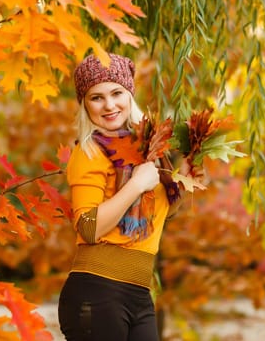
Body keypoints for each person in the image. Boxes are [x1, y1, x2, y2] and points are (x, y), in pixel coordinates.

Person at [58, 53, 195, 341]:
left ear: (130, 94)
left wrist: (191, 166)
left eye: (117, 93)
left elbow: (165, 211)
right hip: (96, 292)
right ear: (84, 104)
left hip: (139, 293)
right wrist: (134, 186)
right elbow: (88, 226)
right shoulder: (89, 152)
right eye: (96, 97)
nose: (109, 105)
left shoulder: (147, 150)